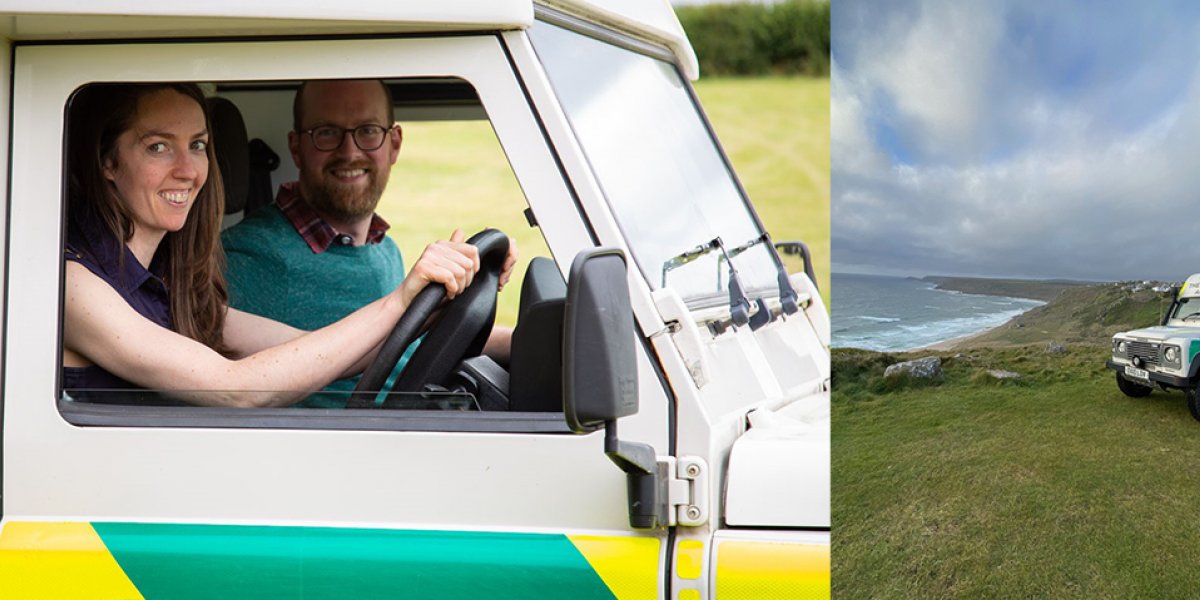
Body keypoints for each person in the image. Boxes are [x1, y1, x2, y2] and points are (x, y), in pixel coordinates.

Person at [62, 82, 482, 407]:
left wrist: (437, 300)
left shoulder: (169, 289)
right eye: (158, 147)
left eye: (198, 146)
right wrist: (399, 301)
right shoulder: (72, 285)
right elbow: (234, 389)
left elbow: (316, 352)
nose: (188, 170)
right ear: (109, 162)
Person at [221, 79, 515, 406]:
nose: (349, 152)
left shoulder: (385, 249)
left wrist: (528, 338)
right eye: (326, 132)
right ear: (296, 149)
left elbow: (413, 339)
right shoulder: (243, 257)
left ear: (395, 143)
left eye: (368, 130)